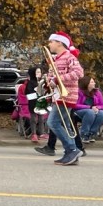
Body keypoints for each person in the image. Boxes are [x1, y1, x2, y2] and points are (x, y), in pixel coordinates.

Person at [34, 32, 83, 164]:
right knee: (66, 126)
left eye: (52, 41)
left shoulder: (69, 57)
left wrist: (57, 79)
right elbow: (53, 77)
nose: (49, 44)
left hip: (66, 96)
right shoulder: (55, 59)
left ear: (60, 43)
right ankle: (71, 154)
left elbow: (79, 72)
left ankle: (72, 149)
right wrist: (50, 80)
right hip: (58, 95)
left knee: (52, 123)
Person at [74, 75, 103, 142]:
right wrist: (89, 107)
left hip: (93, 111)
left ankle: (91, 133)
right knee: (90, 112)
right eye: (92, 82)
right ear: (86, 83)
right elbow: (75, 105)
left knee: (102, 114)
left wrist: (97, 108)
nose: (94, 83)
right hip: (78, 112)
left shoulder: (97, 92)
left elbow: (102, 105)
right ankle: (84, 134)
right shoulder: (78, 92)